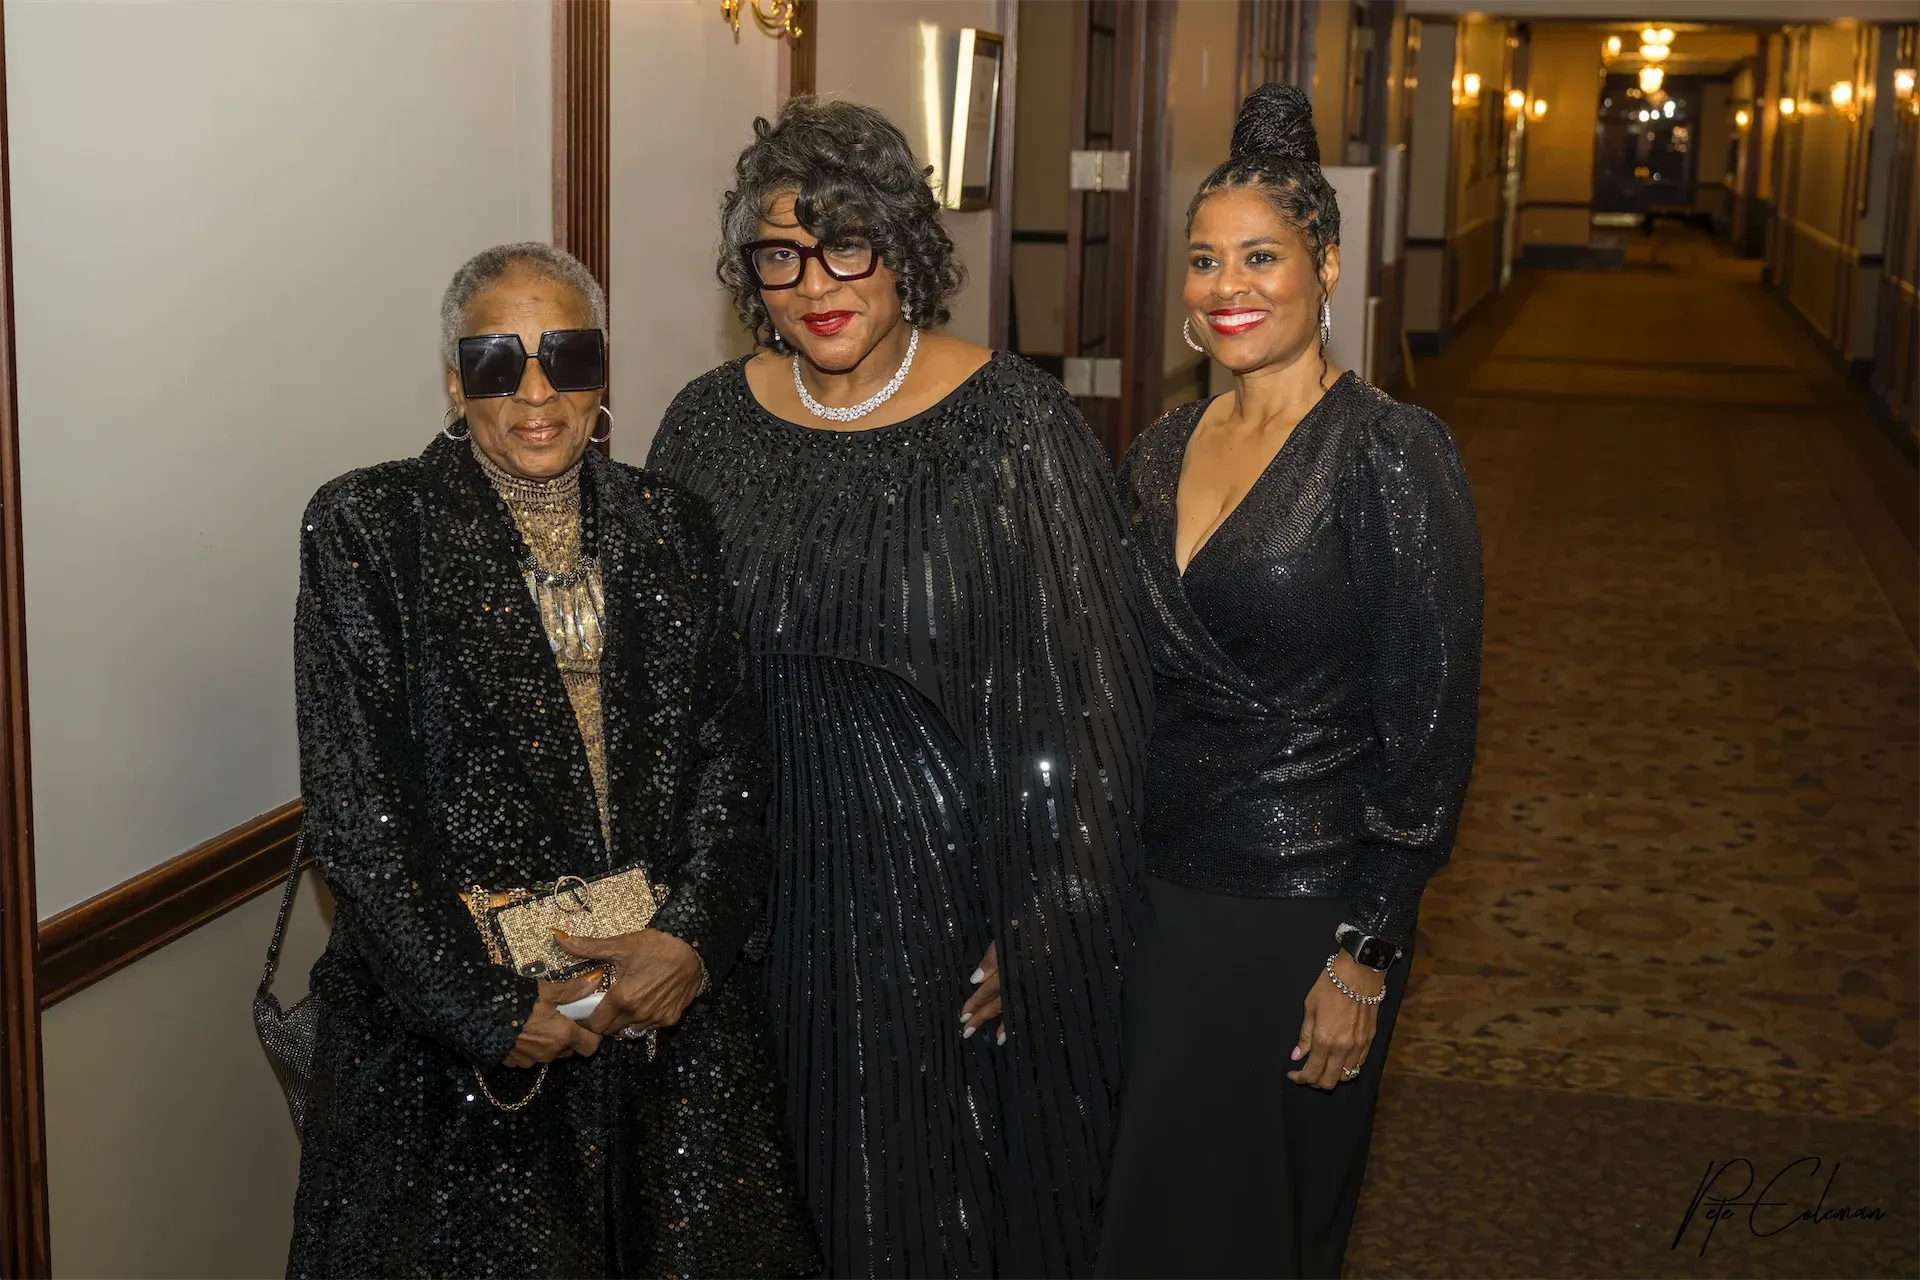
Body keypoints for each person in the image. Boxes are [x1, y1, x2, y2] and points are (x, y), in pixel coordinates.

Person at [646, 99, 1151, 1280]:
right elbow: (661, 684)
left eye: (846, 243)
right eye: (780, 254)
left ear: (902, 247)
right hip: (747, 908)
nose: (815, 283)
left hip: (930, 914)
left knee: (911, 1213)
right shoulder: (704, 425)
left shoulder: (1015, 426)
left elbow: (1092, 703)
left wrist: (1046, 920)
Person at [286, 242, 817, 1279]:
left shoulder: (672, 522)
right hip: (456, 1057)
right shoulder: (370, 529)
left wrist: (691, 941)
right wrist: (484, 1010)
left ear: (600, 372)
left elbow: (731, 766)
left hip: (664, 1031)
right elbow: (356, 814)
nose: (536, 392)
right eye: (497, 361)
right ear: (455, 381)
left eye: (567, 355)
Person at [1097, 84, 1483, 1280]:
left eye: (1260, 256)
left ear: (1326, 265)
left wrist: (1365, 950)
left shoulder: (1390, 454)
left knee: (1259, 1219)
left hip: (1302, 909)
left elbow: (1431, 724)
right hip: (1153, 895)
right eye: (1205, 259)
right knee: (1138, 1205)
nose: (1228, 286)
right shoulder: (1156, 450)